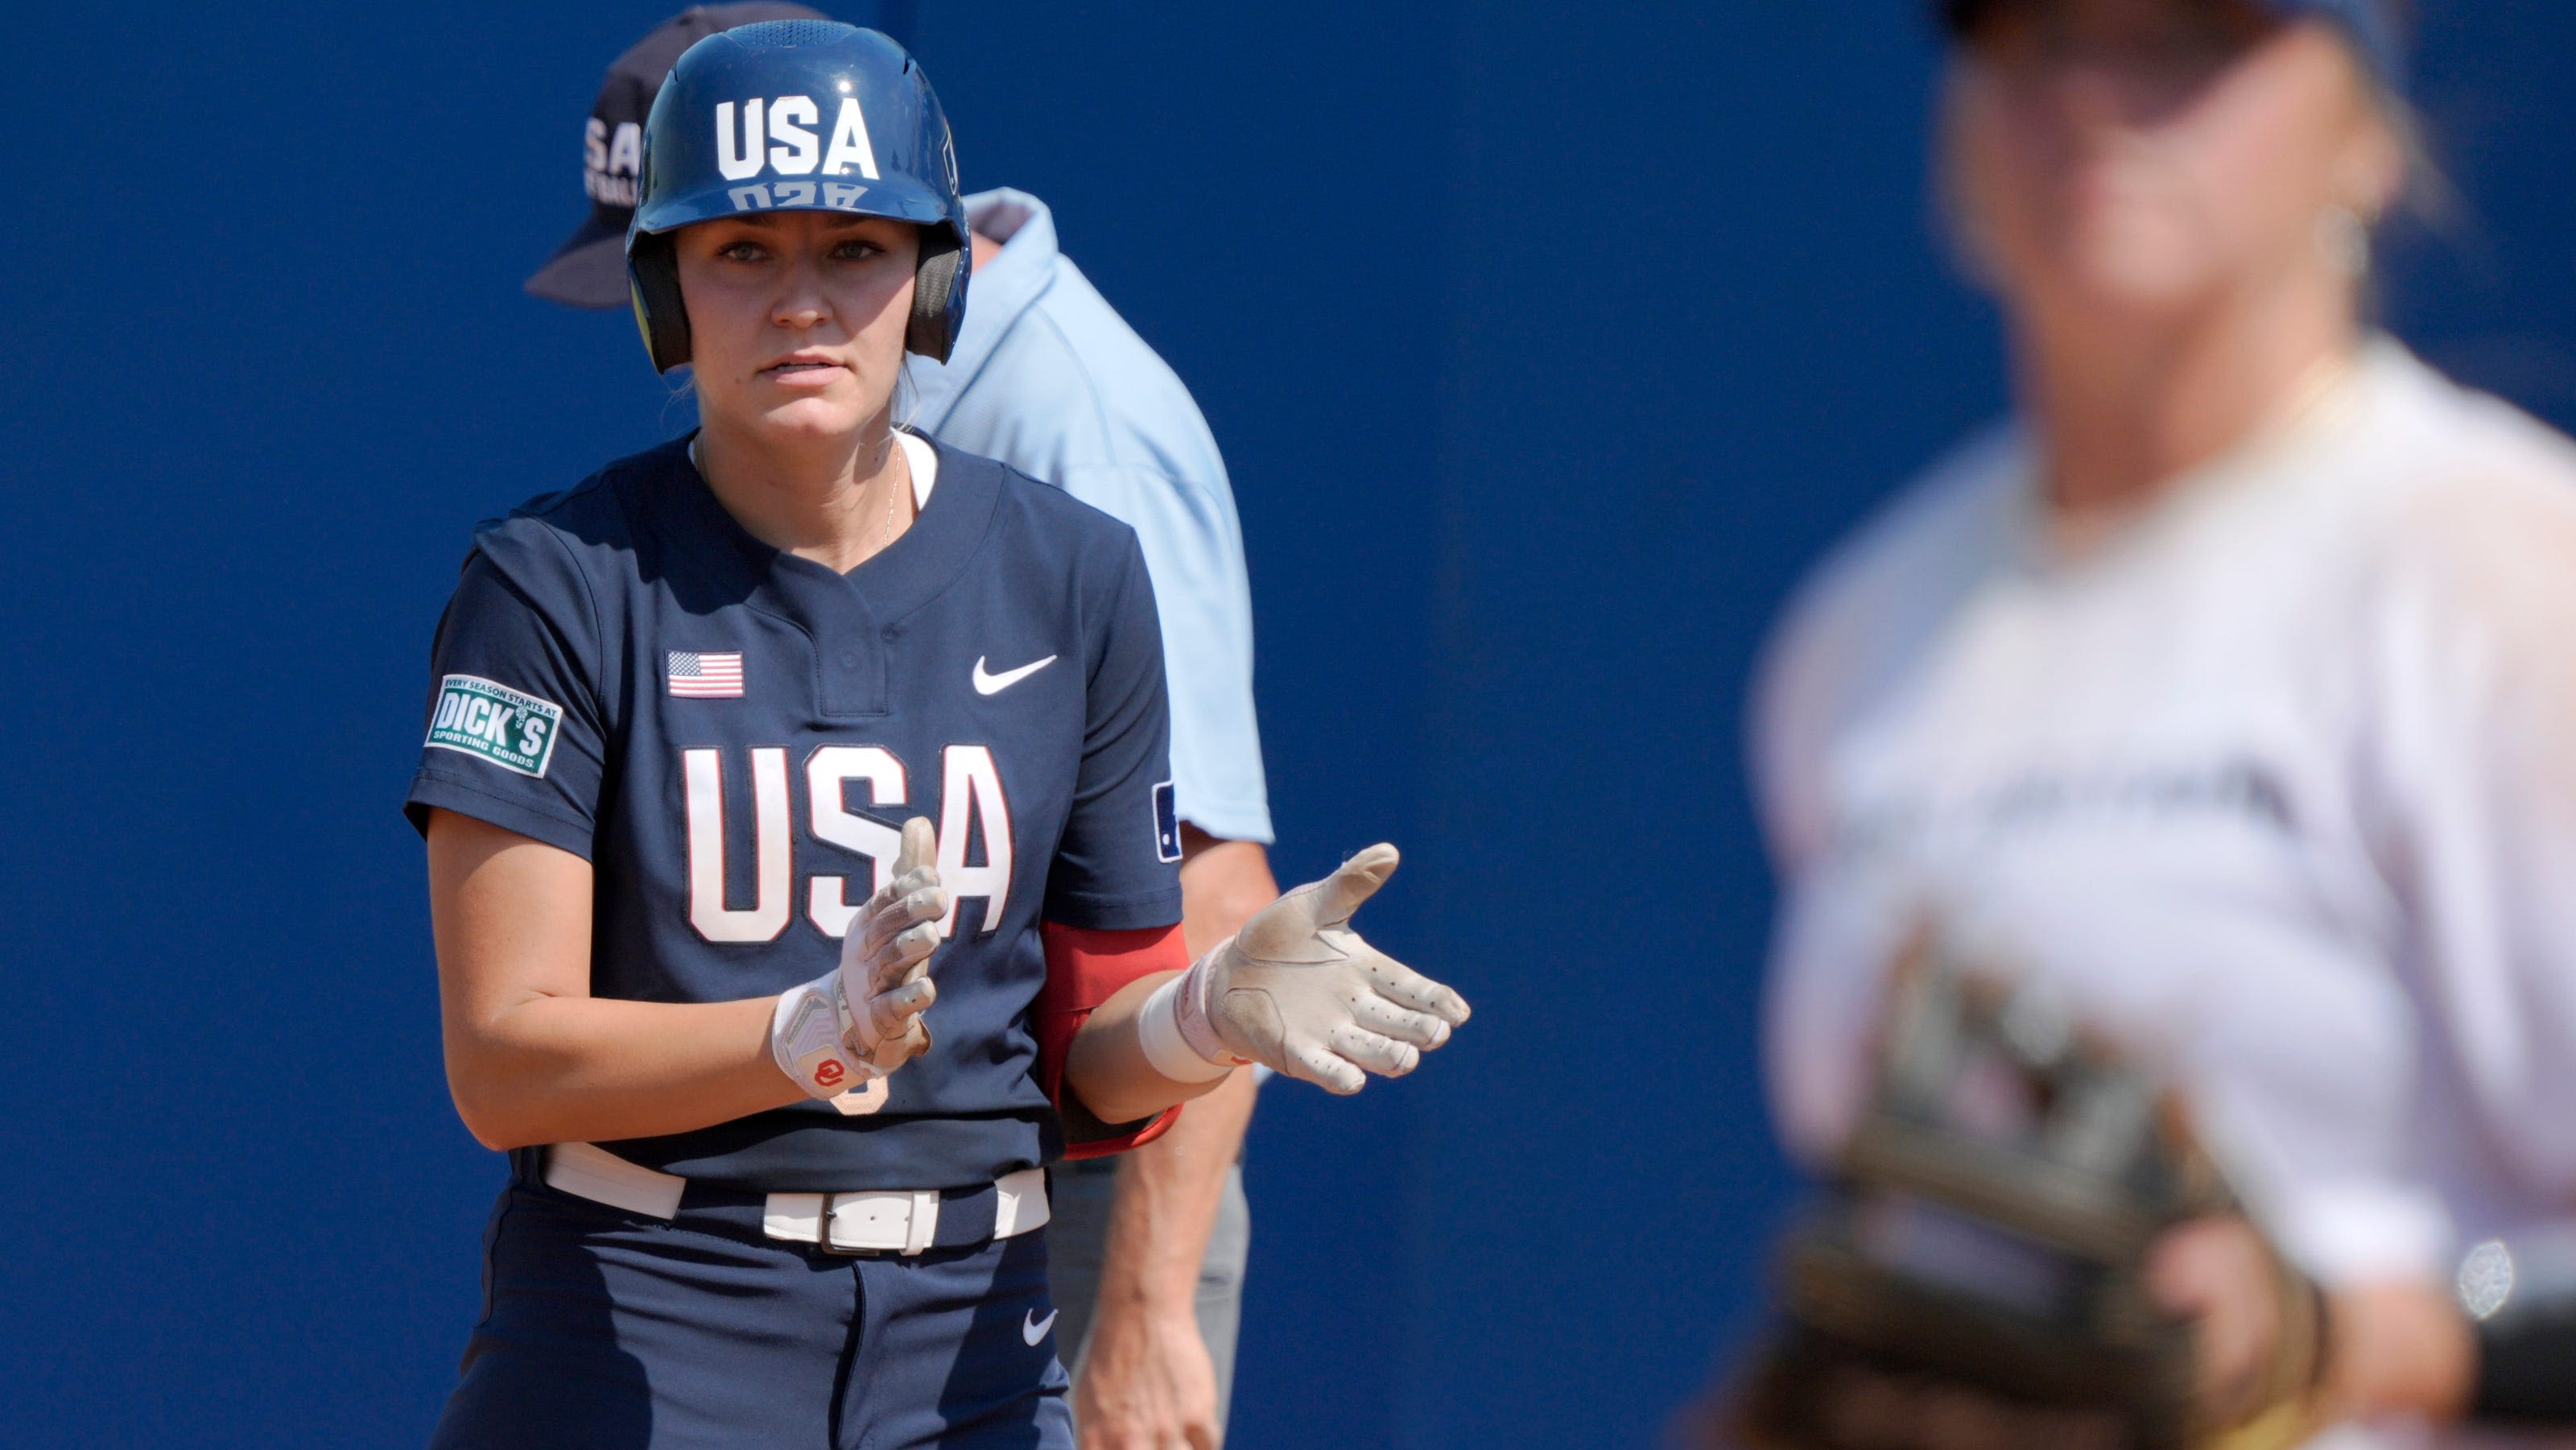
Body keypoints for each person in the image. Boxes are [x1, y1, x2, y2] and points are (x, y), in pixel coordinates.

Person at [414, 22, 1469, 1449]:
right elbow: (504, 1060)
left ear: (931, 279)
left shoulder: (1075, 569)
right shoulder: (552, 580)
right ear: (666, 290)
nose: (801, 302)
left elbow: (1087, 1060)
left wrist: (1205, 1019)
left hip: (977, 1347)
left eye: (853, 249)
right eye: (743, 251)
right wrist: (806, 1031)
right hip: (651, 1317)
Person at [1749, 0, 2576, 1444]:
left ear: (2368, 133)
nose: (2097, 100)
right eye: (2037, 39)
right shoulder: (1865, 628)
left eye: (2194, 40)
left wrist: (2347, 1338)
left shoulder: (2494, 568)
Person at [904, 189, 1275, 1450]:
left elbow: (1220, 894)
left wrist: (1145, 1309)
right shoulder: (901, 415)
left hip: (1099, 1208)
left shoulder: (1076, 433)